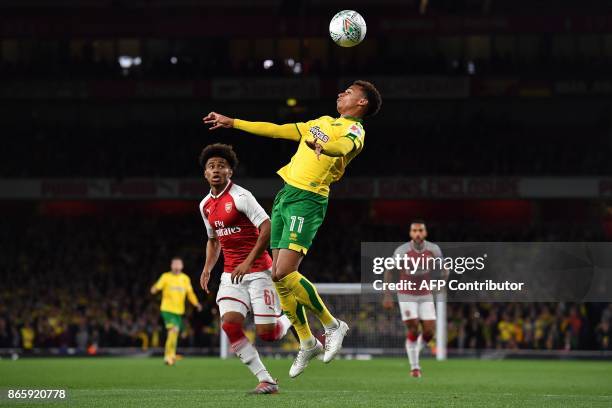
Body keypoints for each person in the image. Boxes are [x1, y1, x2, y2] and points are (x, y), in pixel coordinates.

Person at [202, 80, 381, 377]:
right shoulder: (321, 122)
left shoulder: (355, 131)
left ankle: (333, 325)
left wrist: (323, 145)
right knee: (277, 276)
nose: (341, 93)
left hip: (309, 199)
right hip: (285, 195)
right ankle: (307, 341)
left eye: (348, 92)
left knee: (284, 271)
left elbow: (341, 148)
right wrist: (232, 122)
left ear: (361, 103)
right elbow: (277, 129)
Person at [198, 143, 292, 394]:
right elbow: (214, 240)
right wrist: (208, 268)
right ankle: (266, 380)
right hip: (231, 275)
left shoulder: (241, 196)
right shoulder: (205, 204)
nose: (216, 169)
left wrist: (248, 261)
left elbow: (268, 227)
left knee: (268, 334)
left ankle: (291, 317)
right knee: (229, 324)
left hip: (260, 271)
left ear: (230, 171)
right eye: (211, 166)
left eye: (221, 165)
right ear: (205, 174)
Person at [383, 220, 443, 378]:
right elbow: (389, 271)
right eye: (414, 230)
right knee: (413, 327)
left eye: (420, 230)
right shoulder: (402, 250)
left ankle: (414, 350)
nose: (418, 233)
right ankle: (415, 367)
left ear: (425, 233)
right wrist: (387, 295)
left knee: (429, 332)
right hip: (406, 294)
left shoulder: (433, 249)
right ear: (410, 233)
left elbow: (444, 268)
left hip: (425, 294)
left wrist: (442, 283)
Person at [151, 257, 202, 365]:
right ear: (171, 266)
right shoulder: (165, 277)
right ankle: (167, 356)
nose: (177, 265)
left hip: (179, 311)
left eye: (179, 264)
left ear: (182, 266)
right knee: (173, 330)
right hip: (167, 309)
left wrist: (196, 303)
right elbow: (157, 286)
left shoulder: (185, 278)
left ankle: (172, 354)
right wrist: (154, 289)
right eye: (175, 264)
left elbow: (190, 293)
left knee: (175, 333)